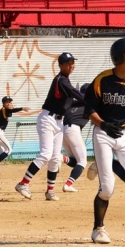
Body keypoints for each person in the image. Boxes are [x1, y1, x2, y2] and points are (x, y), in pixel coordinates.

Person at [84, 38, 125, 244]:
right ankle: (98, 229)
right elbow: (89, 110)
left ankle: (105, 164)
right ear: (118, 58)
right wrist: (103, 125)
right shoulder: (102, 80)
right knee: (107, 189)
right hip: (104, 134)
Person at [15, 52, 85, 201]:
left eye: (72, 63)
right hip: (48, 119)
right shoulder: (61, 80)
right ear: (60, 65)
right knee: (46, 154)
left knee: (54, 158)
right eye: (68, 63)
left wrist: (88, 102)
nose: (71, 65)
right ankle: (23, 184)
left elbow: (72, 102)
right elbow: (74, 93)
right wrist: (91, 99)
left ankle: (50, 191)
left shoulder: (65, 81)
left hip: (59, 122)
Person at [0, 96, 30, 174]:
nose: (10, 103)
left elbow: (10, 111)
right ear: (4, 104)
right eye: (7, 102)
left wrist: (13, 108)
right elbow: (11, 110)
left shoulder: (5, 111)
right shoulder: (4, 109)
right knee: (9, 150)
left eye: (10, 102)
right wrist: (22, 108)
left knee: (0, 152)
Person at [60, 83, 91, 192]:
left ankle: (62, 158)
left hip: (63, 130)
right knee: (82, 162)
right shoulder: (89, 103)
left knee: (74, 161)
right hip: (73, 130)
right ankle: (68, 185)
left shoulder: (72, 103)